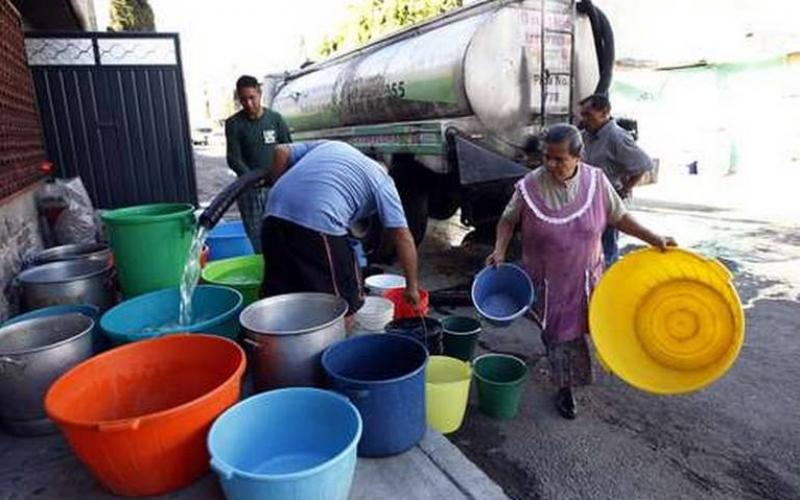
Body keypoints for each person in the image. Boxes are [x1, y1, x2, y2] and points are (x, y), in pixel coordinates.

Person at [486, 124, 676, 420]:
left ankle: (571, 372)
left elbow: (620, 217)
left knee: (587, 328)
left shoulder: (596, 182)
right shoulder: (530, 185)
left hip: (587, 276)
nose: (550, 164)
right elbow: (507, 220)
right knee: (560, 335)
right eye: (547, 157)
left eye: (559, 159)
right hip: (549, 281)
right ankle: (565, 388)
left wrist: (654, 238)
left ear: (578, 156)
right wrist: (499, 249)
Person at [258, 140, 421, 326]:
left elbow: (281, 151)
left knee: (280, 298)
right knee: (345, 305)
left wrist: (279, 190)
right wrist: (412, 288)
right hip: (319, 222)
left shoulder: (334, 146)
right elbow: (402, 237)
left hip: (272, 213)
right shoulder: (383, 182)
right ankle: (336, 350)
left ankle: (277, 348)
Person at [579, 94, 653, 266]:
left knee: (606, 249)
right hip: (587, 199)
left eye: (588, 115)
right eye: (582, 115)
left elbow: (644, 164)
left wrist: (624, 189)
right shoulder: (587, 135)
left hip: (607, 201)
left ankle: (607, 283)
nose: (584, 120)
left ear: (604, 113)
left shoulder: (616, 137)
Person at [225, 75, 292, 252]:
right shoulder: (234, 124)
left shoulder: (275, 119)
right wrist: (252, 178)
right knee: (258, 237)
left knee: (282, 232)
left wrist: (277, 177)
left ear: (260, 94)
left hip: (276, 187)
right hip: (249, 190)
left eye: (252, 97)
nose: (248, 103)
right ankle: (264, 270)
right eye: (243, 99)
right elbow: (233, 158)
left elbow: (289, 149)